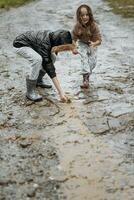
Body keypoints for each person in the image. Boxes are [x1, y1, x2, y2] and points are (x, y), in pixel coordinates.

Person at [13, 30, 75, 102]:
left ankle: (38, 80)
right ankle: (30, 91)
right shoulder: (45, 43)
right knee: (37, 59)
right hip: (20, 45)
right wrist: (61, 93)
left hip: (33, 44)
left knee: (53, 57)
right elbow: (50, 69)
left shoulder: (53, 37)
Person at [72, 4, 102, 89]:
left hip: (92, 43)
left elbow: (99, 40)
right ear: (79, 16)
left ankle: (87, 75)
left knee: (92, 63)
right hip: (82, 43)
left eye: (87, 15)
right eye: (82, 15)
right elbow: (73, 38)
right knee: (84, 58)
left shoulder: (94, 26)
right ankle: (85, 79)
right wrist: (73, 48)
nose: (85, 17)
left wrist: (94, 44)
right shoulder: (77, 26)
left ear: (90, 15)